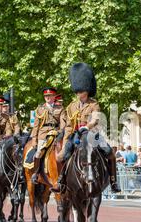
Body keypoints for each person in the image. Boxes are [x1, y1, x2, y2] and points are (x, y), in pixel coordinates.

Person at [51, 63, 120, 193]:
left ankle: (113, 181)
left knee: (110, 153)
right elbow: (69, 126)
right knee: (62, 156)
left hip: (92, 135)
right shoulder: (71, 106)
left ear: (86, 91)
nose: (78, 93)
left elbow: (95, 119)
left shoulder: (94, 104)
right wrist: (67, 140)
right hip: (76, 135)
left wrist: (86, 127)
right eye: (77, 91)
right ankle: (60, 180)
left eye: (80, 91)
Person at [29, 86, 64, 184]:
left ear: (54, 96)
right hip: (44, 134)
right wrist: (34, 140)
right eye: (46, 96)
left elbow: (63, 123)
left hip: (56, 133)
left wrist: (61, 132)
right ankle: (35, 174)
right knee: (39, 152)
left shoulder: (60, 108)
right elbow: (36, 126)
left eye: (50, 95)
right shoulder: (40, 109)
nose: (48, 97)